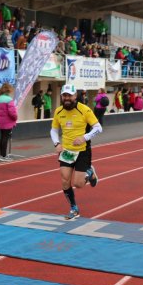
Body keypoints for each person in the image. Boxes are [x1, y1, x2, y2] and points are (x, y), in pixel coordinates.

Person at [50, 84, 102, 220]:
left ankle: (90, 172)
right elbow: (54, 130)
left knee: (78, 184)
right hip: (66, 151)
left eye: (69, 95)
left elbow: (98, 128)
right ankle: (74, 208)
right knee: (65, 180)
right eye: (64, 95)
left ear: (75, 96)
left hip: (82, 150)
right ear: (61, 96)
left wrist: (84, 137)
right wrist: (57, 143)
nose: (67, 98)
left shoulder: (84, 110)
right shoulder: (58, 111)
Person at [0, 83, 18, 162]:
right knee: (5, 138)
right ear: (8, 90)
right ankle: (4, 156)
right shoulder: (9, 100)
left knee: (2, 137)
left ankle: (2, 154)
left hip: (1, 121)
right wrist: (15, 118)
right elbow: (12, 112)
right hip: (8, 121)